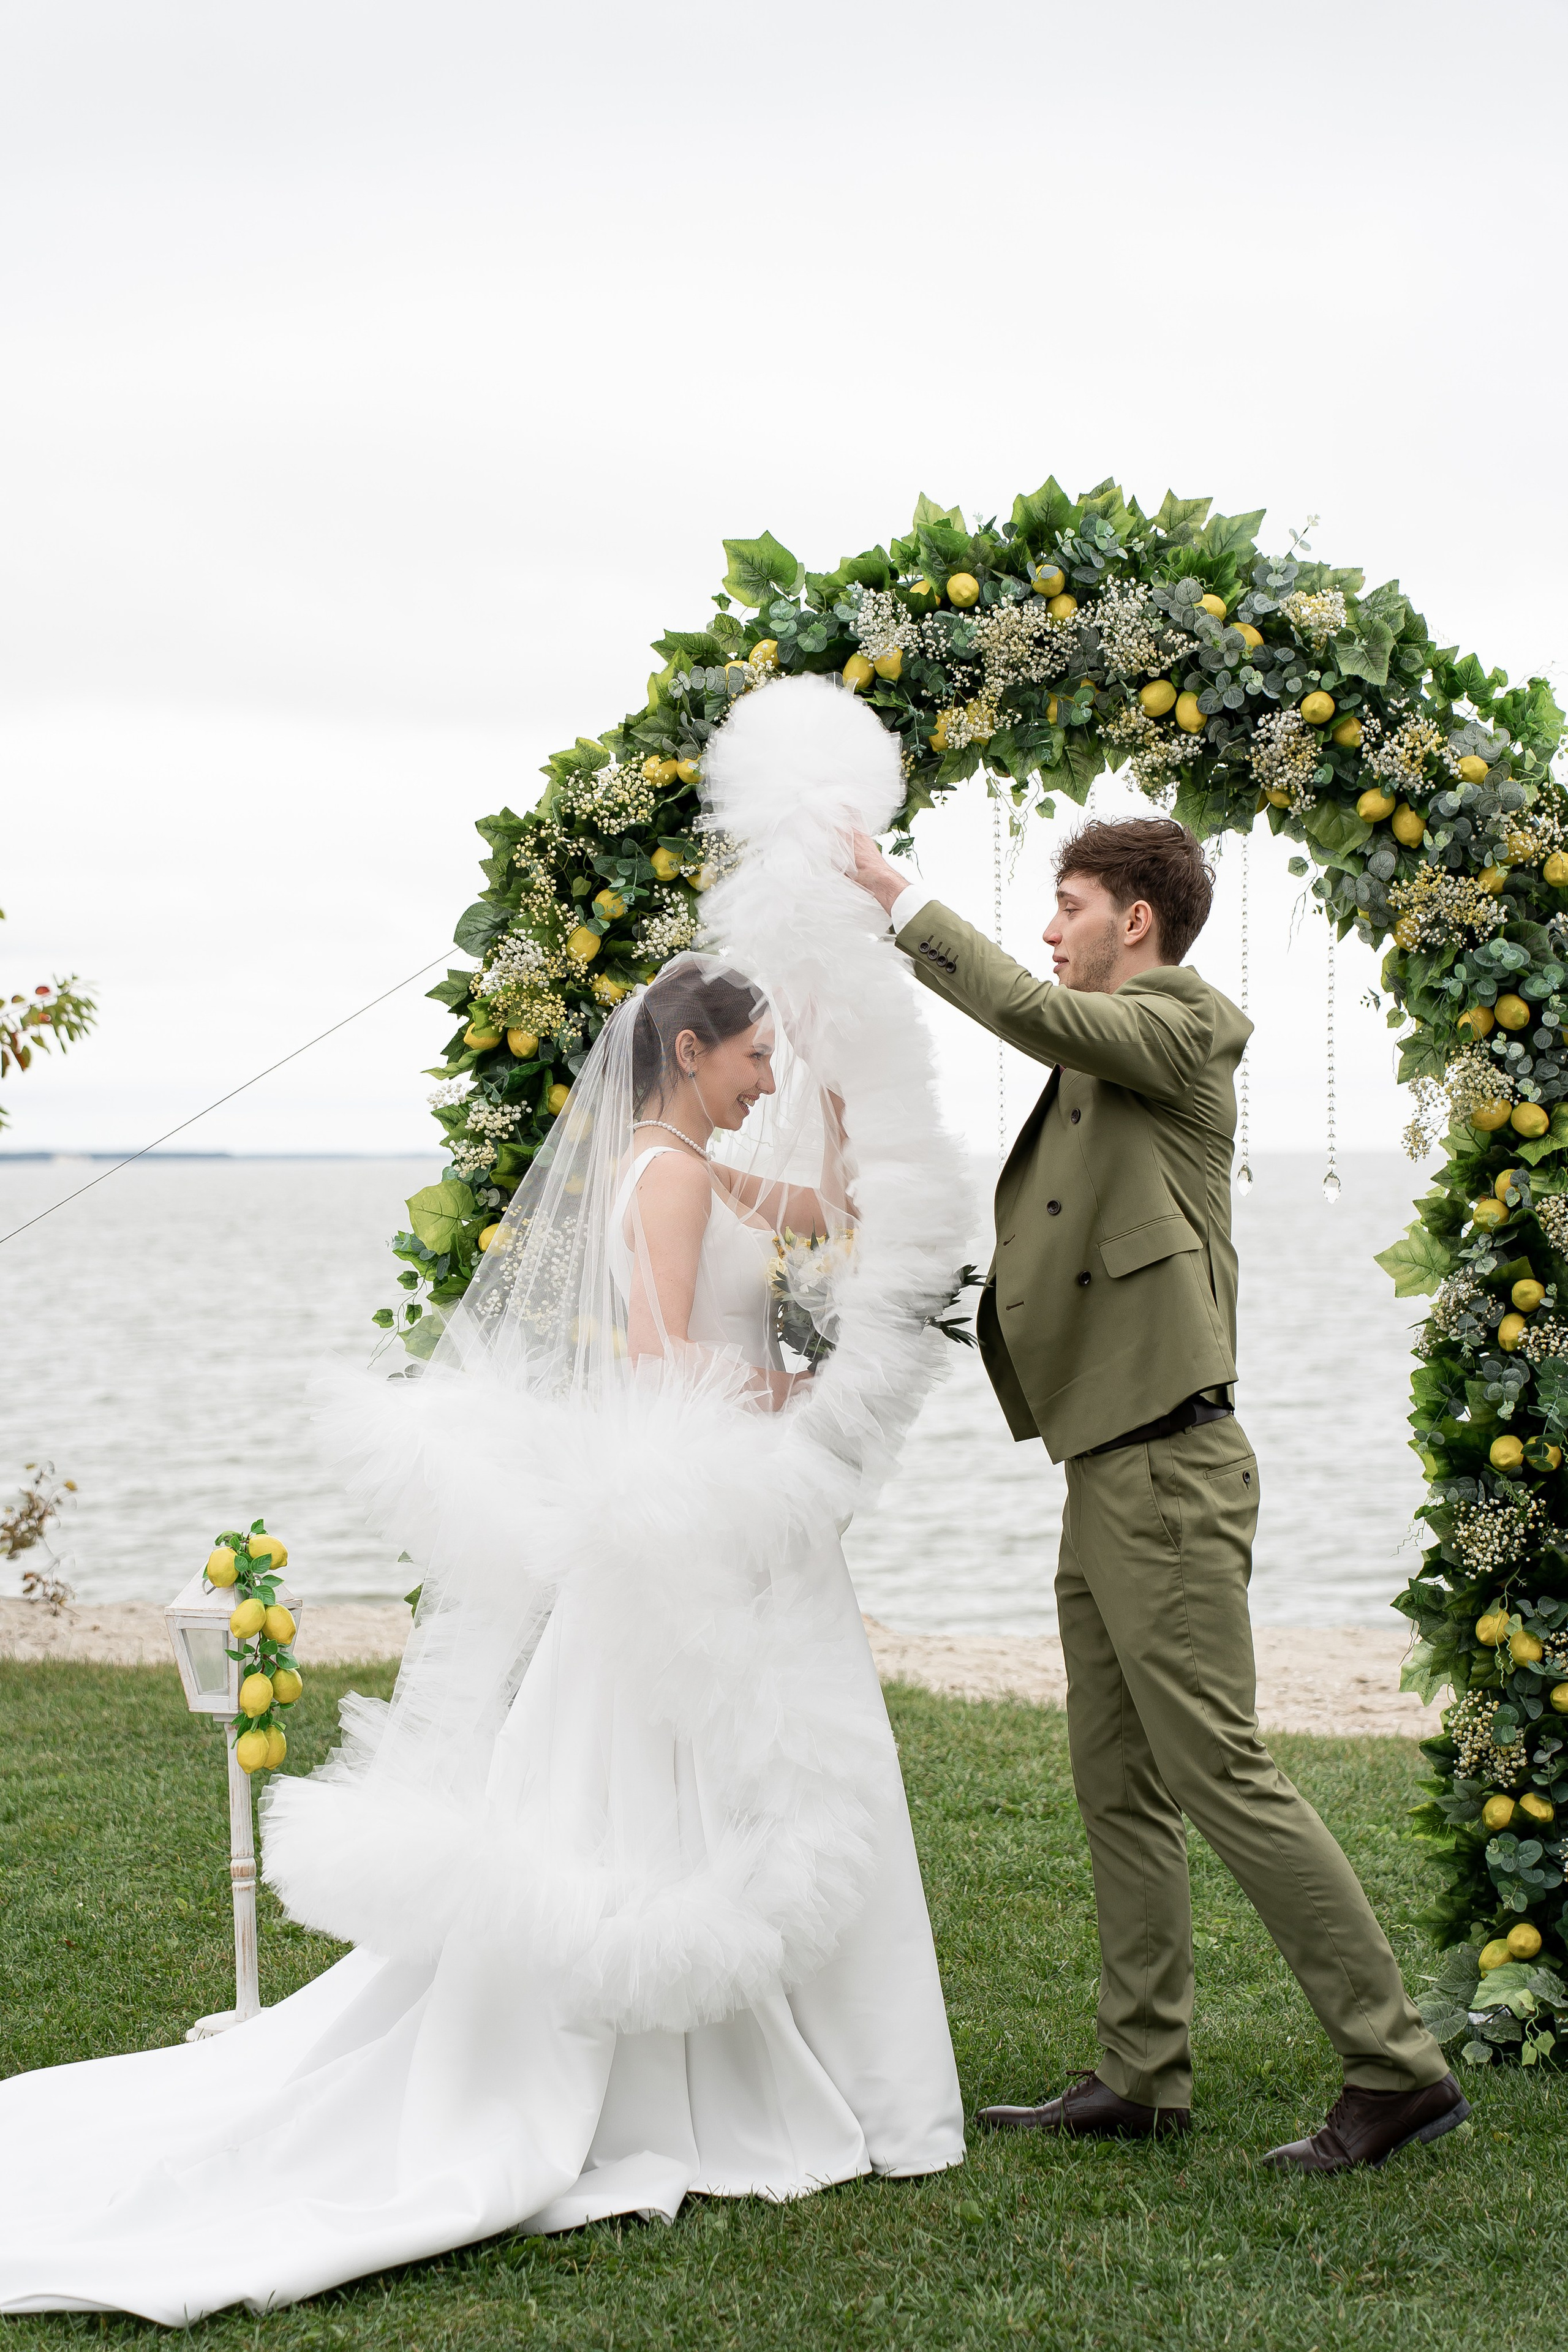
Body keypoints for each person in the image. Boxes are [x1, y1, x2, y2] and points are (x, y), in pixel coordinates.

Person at [0, 677, 969, 2323]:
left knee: (770, 1769)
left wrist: (874, 1087)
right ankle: (713, 2081)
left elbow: (829, 1200)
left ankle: (817, 2061)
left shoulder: (698, 1162)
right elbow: (668, 1350)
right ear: (689, 1044)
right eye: (754, 1051)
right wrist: (788, 1390)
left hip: (725, 1512)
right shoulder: (664, 1180)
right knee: (701, 1779)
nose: (762, 1078)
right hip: (699, 1514)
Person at [848, 813, 1469, 2174]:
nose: (1049, 929)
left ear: (1135, 918)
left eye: (1066, 903)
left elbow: (1016, 1006)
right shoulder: (1096, 1053)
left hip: (1168, 1465)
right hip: (1105, 1461)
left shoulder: (1182, 1026)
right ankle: (1140, 2072)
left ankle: (1393, 2064)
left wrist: (896, 897)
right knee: (1112, 1772)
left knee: (1216, 1770)